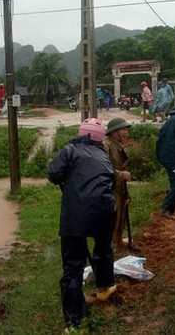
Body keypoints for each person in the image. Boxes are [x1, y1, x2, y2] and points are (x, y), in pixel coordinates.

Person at [48, 118, 117, 331]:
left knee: (73, 266)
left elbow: (53, 174)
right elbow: (111, 180)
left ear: (82, 134)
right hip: (106, 210)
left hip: (76, 214)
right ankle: (105, 288)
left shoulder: (70, 150)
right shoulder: (103, 154)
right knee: (103, 249)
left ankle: (73, 321)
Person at [104, 118, 133, 250]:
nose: (126, 133)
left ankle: (119, 241)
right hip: (110, 188)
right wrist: (120, 174)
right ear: (114, 132)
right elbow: (103, 169)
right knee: (113, 218)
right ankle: (111, 247)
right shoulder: (107, 146)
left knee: (121, 215)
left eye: (126, 130)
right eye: (123, 130)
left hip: (119, 187)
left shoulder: (117, 146)